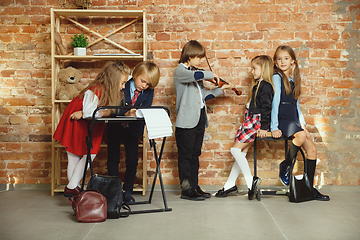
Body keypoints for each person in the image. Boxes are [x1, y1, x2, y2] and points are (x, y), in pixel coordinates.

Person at [53, 61, 131, 197]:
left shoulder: (105, 91)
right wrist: (103, 112)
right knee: (78, 156)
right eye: (122, 83)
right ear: (113, 81)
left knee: (83, 155)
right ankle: (73, 188)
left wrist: (105, 112)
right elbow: (90, 112)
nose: (123, 87)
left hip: (88, 123)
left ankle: (73, 188)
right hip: (78, 122)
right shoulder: (95, 90)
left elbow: (95, 112)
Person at [271, 45, 330, 201]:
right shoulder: (277, 78)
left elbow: (296, 106)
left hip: (293, 120)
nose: (282, 61)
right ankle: (286, 165)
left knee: (312, 150)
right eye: (279, 59)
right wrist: (274, 126)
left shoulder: (292, 80)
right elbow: (275, 103)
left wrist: (303, 125)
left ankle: (309, 189)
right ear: (276, 63)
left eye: (286, 58)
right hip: (283, 119)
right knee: (301, 135)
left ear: (293, 62)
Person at [174, 40, 229, 201]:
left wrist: (221, 89)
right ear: (190, 56)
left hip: (198, 120)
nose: (201, 61)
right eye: (199, 57)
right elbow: (198, 74)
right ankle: (186, 189)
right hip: (185, 122)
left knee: (194, 155)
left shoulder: (195, 75)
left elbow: (203, 96)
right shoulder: (181, 71)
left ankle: (194, 186)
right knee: (185, 156)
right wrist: (213, 75)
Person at [215, 55, 274, 200]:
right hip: (249, 120)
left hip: (256, 122)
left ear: (264, 69)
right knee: (240, 154)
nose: (251, 71)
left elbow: (267, 108)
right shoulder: (258, 85)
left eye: (254, 68)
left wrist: (264, 128)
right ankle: (230, 185)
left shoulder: (265, 86)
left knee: (235, 150)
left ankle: (250, 182)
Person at [106, 61, 160, 204]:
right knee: (113, 159)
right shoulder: (122, 84)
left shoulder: (148, 91)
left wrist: (138, 113)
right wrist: (126, 112)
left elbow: (146, 108)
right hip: (115, 126)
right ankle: (115, 191)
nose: (144, 86)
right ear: (135, 75)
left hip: (133, 128)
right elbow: (111, 106)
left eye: (148, 84)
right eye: (142, 81)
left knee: (132, 161)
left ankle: (127, 191)